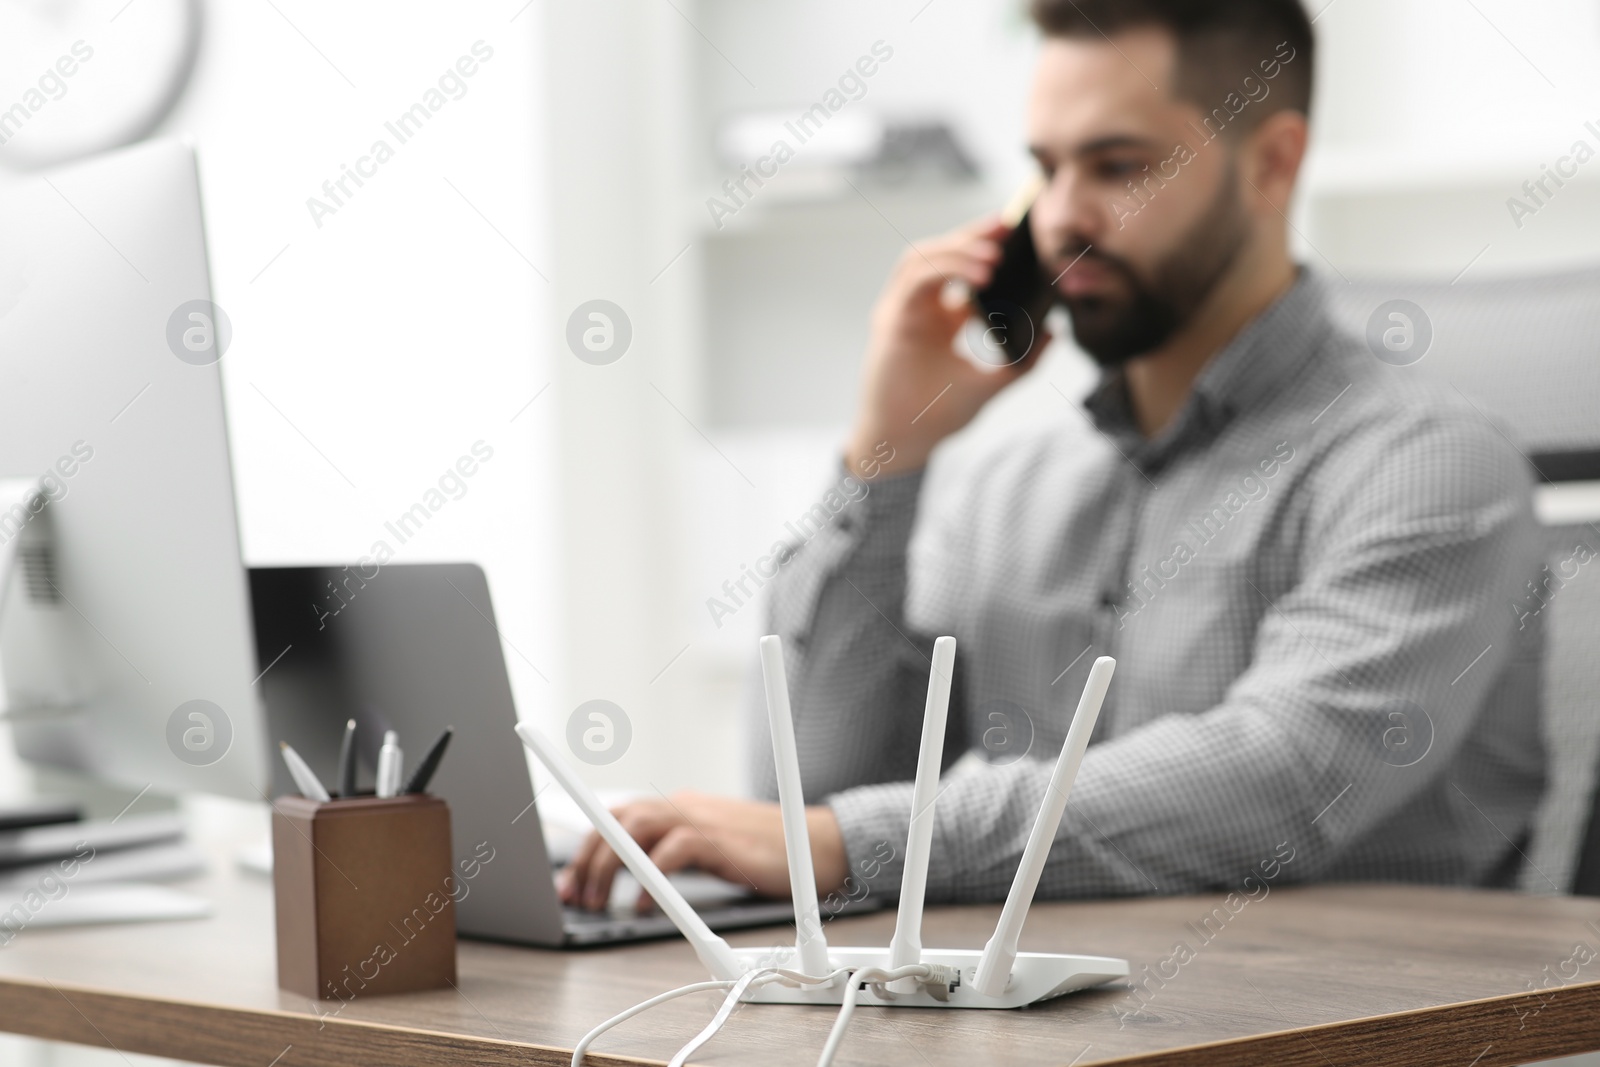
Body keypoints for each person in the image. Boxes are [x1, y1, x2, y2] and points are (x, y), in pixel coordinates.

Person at [559, 0, 1544, 912]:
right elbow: (808, 793)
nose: (1061, 216)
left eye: (1117, 166)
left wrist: (849, 840)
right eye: (1047, 166)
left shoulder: (1430, 465)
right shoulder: (1004, 483)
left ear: (1271, 163)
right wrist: (886, 455)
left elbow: (1278, 780)